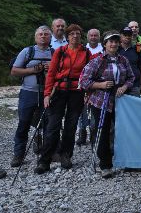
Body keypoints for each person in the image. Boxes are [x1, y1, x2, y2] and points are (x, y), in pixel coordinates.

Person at [35, 24, 90, 174]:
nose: (75, 36)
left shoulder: (86, 53)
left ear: (81, 36)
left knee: (71, 126)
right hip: (58, 90)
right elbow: (51, 73)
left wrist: (88, 93)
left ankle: (66, 155)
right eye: (72, 34)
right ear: (67, 36)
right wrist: (47, 94)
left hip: (77, 91)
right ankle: (44, 160)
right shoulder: (60, 51)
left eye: (78, 33)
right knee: (53, 126)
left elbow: (90, 74)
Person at [79, 31, 135, 178]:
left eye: (116, 41)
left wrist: (124, 87)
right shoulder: (97, 61)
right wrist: (100, 84)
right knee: (103, 132)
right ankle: (105, 165)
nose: (114, 44)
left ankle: (127, 161)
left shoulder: (123, 60)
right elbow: (83, 81)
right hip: (100, 101)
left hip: (120, 100)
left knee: (123, 131)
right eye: (110, 42)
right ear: (104, 44)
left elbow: (131, 77)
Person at [10, 25, 54, 167]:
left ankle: (47, 154)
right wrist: (33, 70)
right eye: (40, 34)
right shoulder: (27, 51)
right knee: (23, 123)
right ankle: (19, 154)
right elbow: (14, 71)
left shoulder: (55, 53)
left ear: (50, 37)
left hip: (48, 94)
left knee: (48, 124)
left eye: (46, 34)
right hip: (28, 92)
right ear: (35, 37)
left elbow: (60, 73)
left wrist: (50, 69)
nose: (43, 36)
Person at [76, 28, 103, 145]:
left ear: (99, 37)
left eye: (95, 35)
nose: (93, 37)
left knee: (95, 110)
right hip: (83, 82)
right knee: (81, 111)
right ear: (87, 37)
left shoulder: (103, 49)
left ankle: (94, 133)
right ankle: (82, 133)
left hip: (97, 84)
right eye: (91, 35)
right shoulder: (82, 49)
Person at [119, 27, 141, 97]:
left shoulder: (137, 49)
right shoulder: (116, 49)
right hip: (119, 86)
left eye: (129, 35)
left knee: (134, 107)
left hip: (134, 85)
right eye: (125, 35)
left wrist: (140, 85)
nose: (127, 37)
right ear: (120, 36)